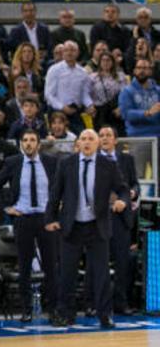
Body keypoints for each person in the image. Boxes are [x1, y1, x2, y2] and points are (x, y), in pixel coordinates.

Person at [46, 129, 129, 328]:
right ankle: (66, 313)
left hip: (97, 225)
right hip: (72, 225)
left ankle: (105, 314)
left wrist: (123, 201)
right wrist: (50, 218)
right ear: (78, 143)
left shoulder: (108, 165)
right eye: (83, 138)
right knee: (67, 273)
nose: (86, 142)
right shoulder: (67, 163)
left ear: (98, 143)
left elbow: (123, 188)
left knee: (101, 273)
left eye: (91, 139)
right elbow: (55, 192)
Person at [0, 129, 59, 322]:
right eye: (25, 140)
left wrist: (57, 211)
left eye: (32, 140)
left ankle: (52, 308)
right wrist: (7, 207)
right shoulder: (13, 163)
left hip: (46, 218)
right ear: (21, 143)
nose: (28, 143)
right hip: (23, 218)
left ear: (38, 144)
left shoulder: (51, 162)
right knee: (24, 266)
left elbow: (61, 187)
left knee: (50, 266)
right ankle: (26, 309)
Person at [97, 126, 140, 315]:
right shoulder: (93, 160)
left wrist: (133, 192)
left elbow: (134, 183)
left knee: (123, 262)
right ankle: (98, 304)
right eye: (101, 136)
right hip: (99, 217)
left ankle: (121, 304)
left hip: (121, 218)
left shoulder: (126, 159)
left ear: (115, 140)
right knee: (99, 263)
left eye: (108, 135)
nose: (104, 138)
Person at [45, 41, 95, 133]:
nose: (69, 53)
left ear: (78, 52)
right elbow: (49, 95)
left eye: (72, 50)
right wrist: (62, 107)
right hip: (57, 111)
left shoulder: (82, 72)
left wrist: (89, 105)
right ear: (63, 53)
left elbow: (84, 94)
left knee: (81, 135)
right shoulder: (54, 70)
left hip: (74, 111)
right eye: (66, 50)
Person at [119, 58, 160, 137]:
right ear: (134, 71)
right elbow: (126, 114)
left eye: (145, 68)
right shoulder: (126, 91)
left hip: (157, 134)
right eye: (139, 68)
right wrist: (147, 113)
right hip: (137, 135)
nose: (142, 71)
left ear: (150, 71)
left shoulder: (158, 91)